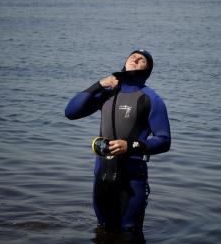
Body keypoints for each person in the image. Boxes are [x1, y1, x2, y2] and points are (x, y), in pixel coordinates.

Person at [65, 49, 171, 234]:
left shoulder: (151, 99)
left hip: (132, 179)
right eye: (133, 56)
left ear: (147, 70)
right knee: (102, 232)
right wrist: (98, 85)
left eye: (142, 59)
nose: (136, 58)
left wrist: (129, 146)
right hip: (102, 176)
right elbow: (71, 112)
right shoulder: (107, 92)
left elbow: (164, 141)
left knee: (130, 235)